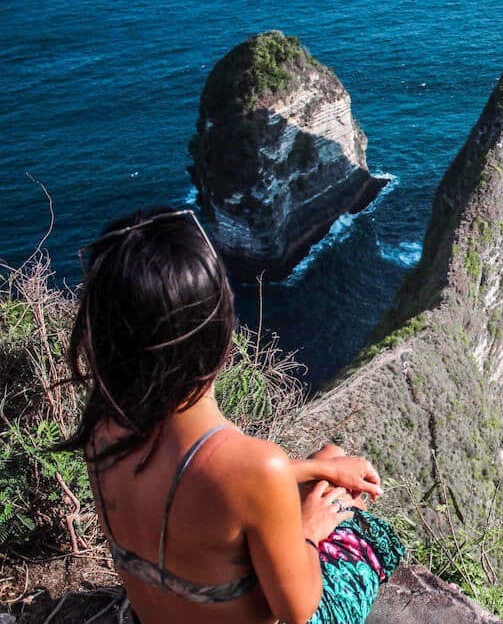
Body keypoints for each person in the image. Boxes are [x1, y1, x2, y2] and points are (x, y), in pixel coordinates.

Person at [56, 208, 402, 624]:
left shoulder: (102, 433)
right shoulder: (256, 466)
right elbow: (298, 610)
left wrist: (311, 466)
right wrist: (308, 529)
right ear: (220, 326)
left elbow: (203, 485)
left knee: (328, 458)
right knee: (353, 518)